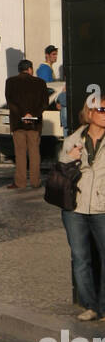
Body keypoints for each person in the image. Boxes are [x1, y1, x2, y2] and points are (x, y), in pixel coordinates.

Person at [61, 100, 105, 320]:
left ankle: (104, 306)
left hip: (102, 206)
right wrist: (68, 158)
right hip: (75, 207)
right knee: (80, 257)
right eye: (102, 110)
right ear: (89, 112)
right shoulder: (73, 139)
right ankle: (90, 306)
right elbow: (58, 169)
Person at [4, 59, 54, 190]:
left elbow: (10, 102)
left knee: (20, 153)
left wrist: (22, 115)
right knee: (34, 152)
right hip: (35, 124)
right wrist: (32, 115)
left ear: (20, 69)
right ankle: (35, 181)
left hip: (18, 123)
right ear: (30, 69)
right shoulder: (40, 83)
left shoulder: (10, 82)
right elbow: (44, 103)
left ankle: (20, 182)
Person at [37, 45, 67, 135]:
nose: (55, 57)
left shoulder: (48, 68)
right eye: (53, 54)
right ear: (47, 55)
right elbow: (47, 87)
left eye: (56, 54)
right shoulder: (45, 69)